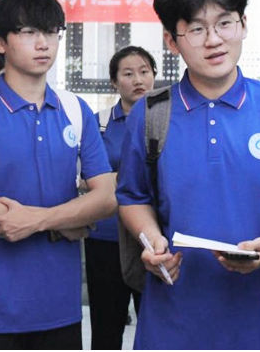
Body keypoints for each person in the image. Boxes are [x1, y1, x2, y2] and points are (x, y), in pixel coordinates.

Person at [116, 0, 260, 349]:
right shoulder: (150, 114)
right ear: (171, 40)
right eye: (196, 29)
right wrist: (153, 242)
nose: (214, 40)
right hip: (174, 319)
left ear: (243, 25)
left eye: (225, 23)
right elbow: (132, 196)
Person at [0, 0, 116, 350]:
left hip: (59, 305)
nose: (43, 43)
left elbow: (109, 196)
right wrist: (70, 218)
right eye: (29, 32)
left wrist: (38, 220)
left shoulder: (75, 110)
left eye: (51, 32)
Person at [86, 46, 156, 349]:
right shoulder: (98, 123)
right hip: (106, 239)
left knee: (155, 327)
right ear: (114, 82)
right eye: (128, 74)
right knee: (106, 328)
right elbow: (87, 177)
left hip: (152, 240)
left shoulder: (167, 120)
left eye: (144, 71)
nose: (138, 80)